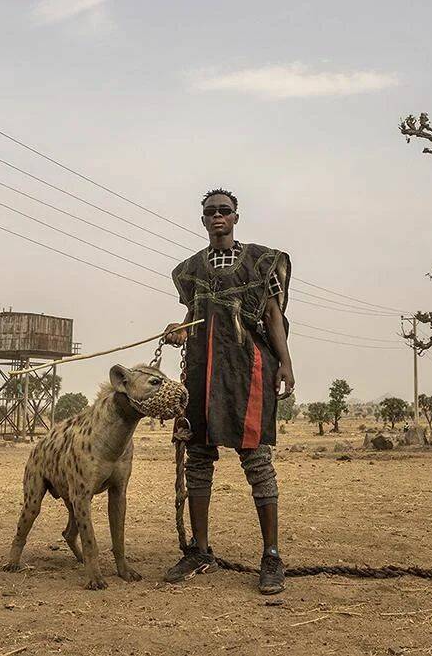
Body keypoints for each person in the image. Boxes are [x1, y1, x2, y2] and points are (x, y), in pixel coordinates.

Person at [162, 189, 294, 595]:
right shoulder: (191, 270)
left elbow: (273, 315)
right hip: (202, 370)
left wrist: (286, 363)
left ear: (236, 217)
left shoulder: (261, 260)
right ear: (202, 221)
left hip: (247, 370)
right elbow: (193, 317)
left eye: (224, 211)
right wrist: (177, 332)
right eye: (210, 212)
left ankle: (271, 556)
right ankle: (201, 552)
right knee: (198, 456)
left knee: (256, 459)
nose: (217, 216)